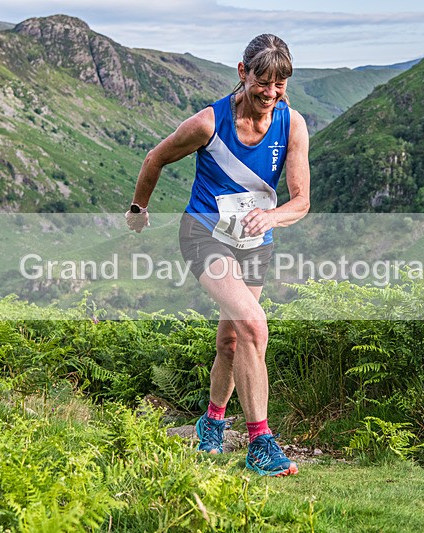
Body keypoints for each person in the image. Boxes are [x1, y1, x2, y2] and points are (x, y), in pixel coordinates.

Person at [125, 34, 310, 477]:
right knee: (252, 323)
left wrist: (272, 218)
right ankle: (260, 442)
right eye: (263, 81)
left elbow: (301, 201)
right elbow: (155, 158)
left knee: (231, 339)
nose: (270, 93)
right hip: (204, 235)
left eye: (280, 84)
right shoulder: (209, 123)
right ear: (243, 74)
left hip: (254, 243)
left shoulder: (292, 125)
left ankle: (211, 422)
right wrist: (138, 209)